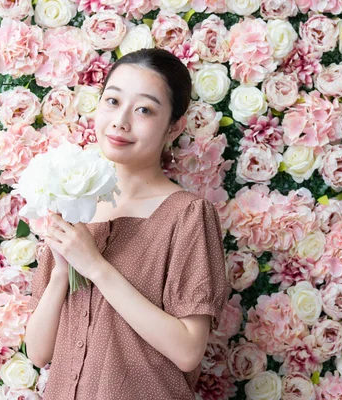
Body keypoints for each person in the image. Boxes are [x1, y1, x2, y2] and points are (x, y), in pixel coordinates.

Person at [24, 48, 228, 399]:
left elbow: (188, 351)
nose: (121, 121)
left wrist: (95, 266)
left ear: (174, 127)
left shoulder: (187, 215)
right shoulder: (74, 206)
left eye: (144, 109)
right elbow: (38, 353)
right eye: (112, 101)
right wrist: (62, 271)